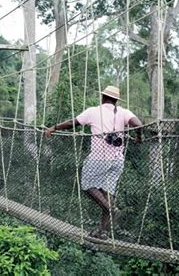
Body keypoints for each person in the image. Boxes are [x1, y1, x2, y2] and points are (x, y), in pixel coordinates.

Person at [44, 86, 142, 240]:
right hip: (117, 161)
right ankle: (103, 232)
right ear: (116, 100)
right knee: (107, 194)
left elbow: (72, 123)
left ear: (103, 97)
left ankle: (112, 210)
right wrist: (139, 137)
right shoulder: (123, 112)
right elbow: (138, 124)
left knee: (87, 185)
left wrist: (54, 128)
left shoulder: (93, 111)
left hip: (98, 159)